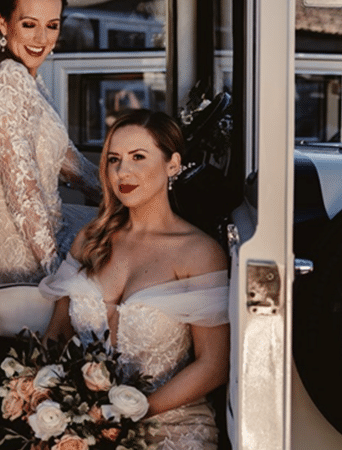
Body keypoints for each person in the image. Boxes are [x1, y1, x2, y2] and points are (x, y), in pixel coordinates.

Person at [40, 110, 230, 449]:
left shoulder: (199, 252)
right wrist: (51, 401)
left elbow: (213, 365)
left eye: (138, 157)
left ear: (172, 164)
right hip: (89, 433)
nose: (122, 172)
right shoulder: (91, 239)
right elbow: (57, 333)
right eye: (114, 160)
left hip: (173, 431)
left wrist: (126, 415)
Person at [0, 0, 101, 287]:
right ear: (3, 24)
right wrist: (57, 274)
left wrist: (123, 196)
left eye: (52, 26)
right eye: (29, 25)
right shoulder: (8, 80)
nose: (42, 39)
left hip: (51, 224)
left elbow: (73, 165)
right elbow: (23, 195)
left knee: (128, 232)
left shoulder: (31, 80)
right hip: (25, 256)